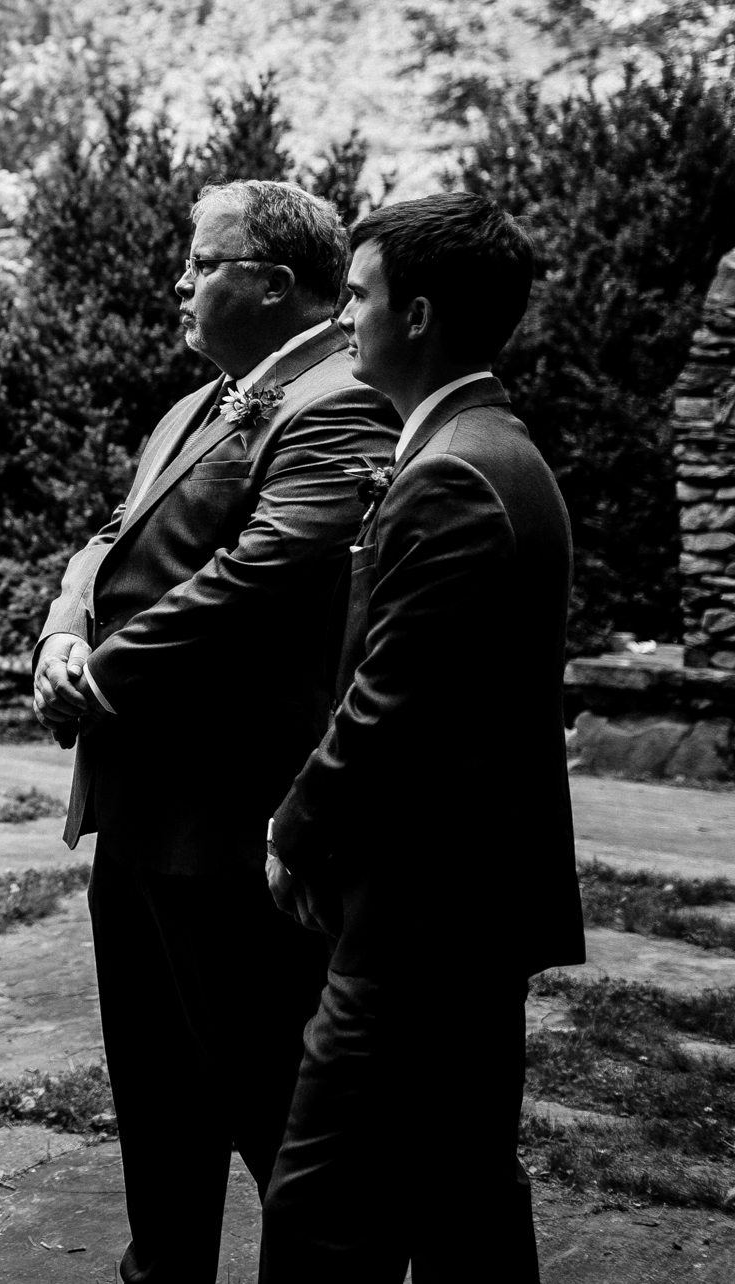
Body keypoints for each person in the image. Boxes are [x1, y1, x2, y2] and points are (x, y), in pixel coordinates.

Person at [33, 179, 399, 1284]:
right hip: (135, 815)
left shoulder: (344, 402)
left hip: (236, 818)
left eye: (202, 263)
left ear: (275, 282)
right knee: (156, 1100)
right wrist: (58, 635)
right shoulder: (193, 408)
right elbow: (105, 541)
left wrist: (102, 677)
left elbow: (266, 579)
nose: (180, 282)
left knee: (269, 1100)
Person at [259, 193, 584, 1281]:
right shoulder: (491, 447)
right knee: (462, 1192)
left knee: (320, 1206)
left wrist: (296, 831)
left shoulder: (451, 471)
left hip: (425, 915)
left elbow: (392, 705)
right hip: (475, 906)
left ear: (421, 314)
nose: (343, 316)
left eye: (358, 295)